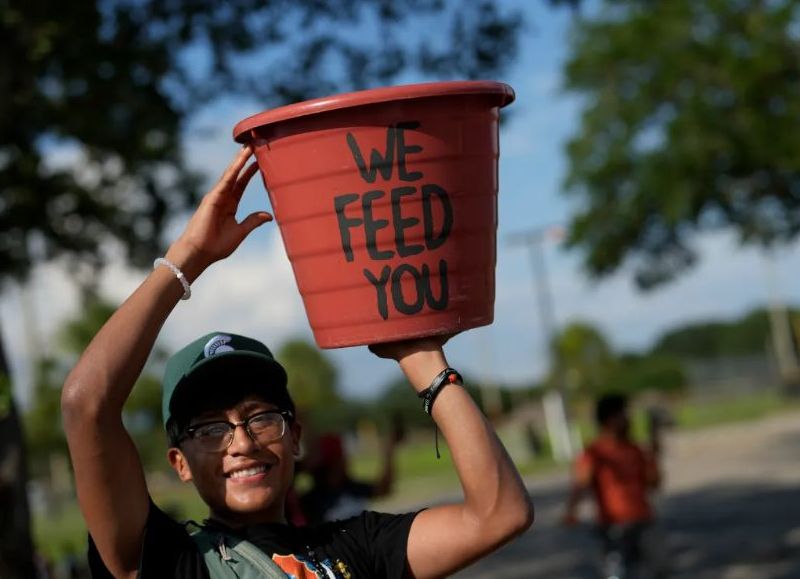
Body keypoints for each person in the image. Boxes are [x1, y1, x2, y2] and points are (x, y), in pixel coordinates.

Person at [61, 146, 534, 579]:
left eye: (261, 419)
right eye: (210, 429)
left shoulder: (355, 547)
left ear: (295, 437)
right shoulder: (170, 561)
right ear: (179, 463)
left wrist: (424, 361)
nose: (242, 443)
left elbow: (499, 515)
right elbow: (87, 406)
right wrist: (188, 257)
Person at [563, 393, 665, 579]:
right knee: (617, 574)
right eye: (623, 414)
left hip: (644, 520)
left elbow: (654, 484)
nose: (629, 419)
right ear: (610, 419)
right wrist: (571, 511)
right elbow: (581, 483)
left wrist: (654, 457)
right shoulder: (595, 452)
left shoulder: (635, 449)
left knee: (659, 569)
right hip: (613, 526)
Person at [300, 423, 400, 525]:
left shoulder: (349, 487)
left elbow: (383, 489)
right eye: (341, 457)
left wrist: (389, 452)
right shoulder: (311, 502)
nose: (346, 461)